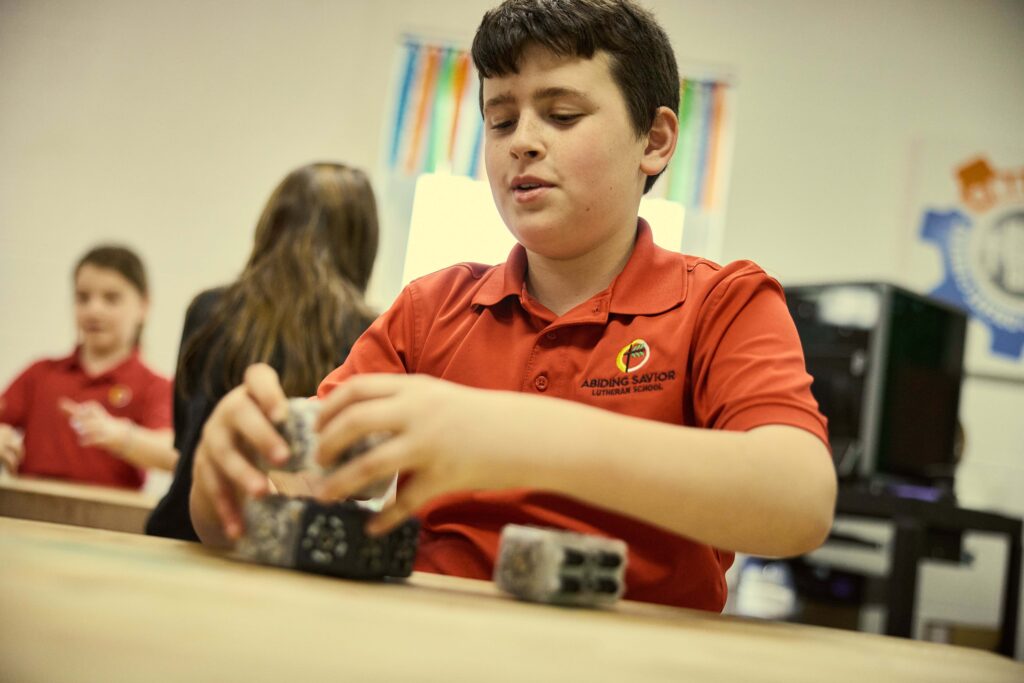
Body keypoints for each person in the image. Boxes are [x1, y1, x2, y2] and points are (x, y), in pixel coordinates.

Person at [190, 0, 837, 611]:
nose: (521, 141)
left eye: (561, 114)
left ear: (656, 140)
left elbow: (798, 498)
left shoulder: (722, 302)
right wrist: (236, 470)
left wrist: (512, 433)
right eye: (500, 120)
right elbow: (304, 483)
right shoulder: (431, 308)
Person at [145, 162, 379, 540]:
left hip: (182, 530)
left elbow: (185, 441)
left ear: (272, 222)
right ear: (361, 241)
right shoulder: (369, 330)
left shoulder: (208, 309)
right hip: (295, 546)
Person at [0, 245, 176, 489]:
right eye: (83, 297)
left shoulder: (154, 387)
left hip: (109, 520)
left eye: (111, 298)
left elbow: (175, 453)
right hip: (29, 511)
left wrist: (121, 436)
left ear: (143, 306)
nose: (94, 310)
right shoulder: (40, 374)